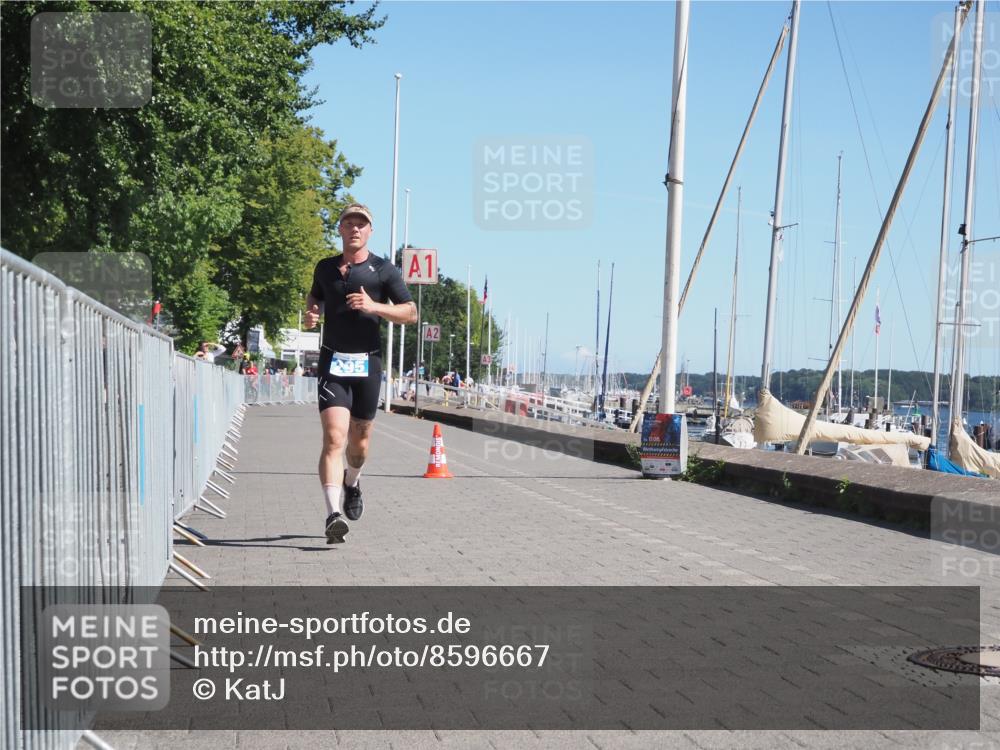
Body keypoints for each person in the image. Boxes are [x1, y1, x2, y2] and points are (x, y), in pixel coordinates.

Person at [304, 203, 417, 544]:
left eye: (361, 224)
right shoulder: (325, 268)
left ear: (370, 231)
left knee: (360, 442)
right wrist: (312, 313)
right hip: (332, 362)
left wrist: (374, 307)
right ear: (339, 229)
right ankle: (332, 514)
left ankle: (352, 483)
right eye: (348, 223)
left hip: (368, 363)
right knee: (334, 439)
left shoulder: (384, 271)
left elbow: (410, 313)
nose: (354, 229)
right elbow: (316, 297)